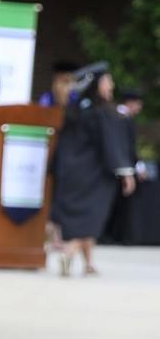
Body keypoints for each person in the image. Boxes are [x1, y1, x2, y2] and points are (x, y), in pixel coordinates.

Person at [51, 62, 136, 274]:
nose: (112, 85)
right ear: (97, 84)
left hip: (72, 172)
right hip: (95, 174)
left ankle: (89, 264)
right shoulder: (102, 112)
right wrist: (125, 171)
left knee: (86, 218)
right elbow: (111, 144)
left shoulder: (76, 108)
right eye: (108, 81)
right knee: (93, 218)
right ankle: (69, 252)